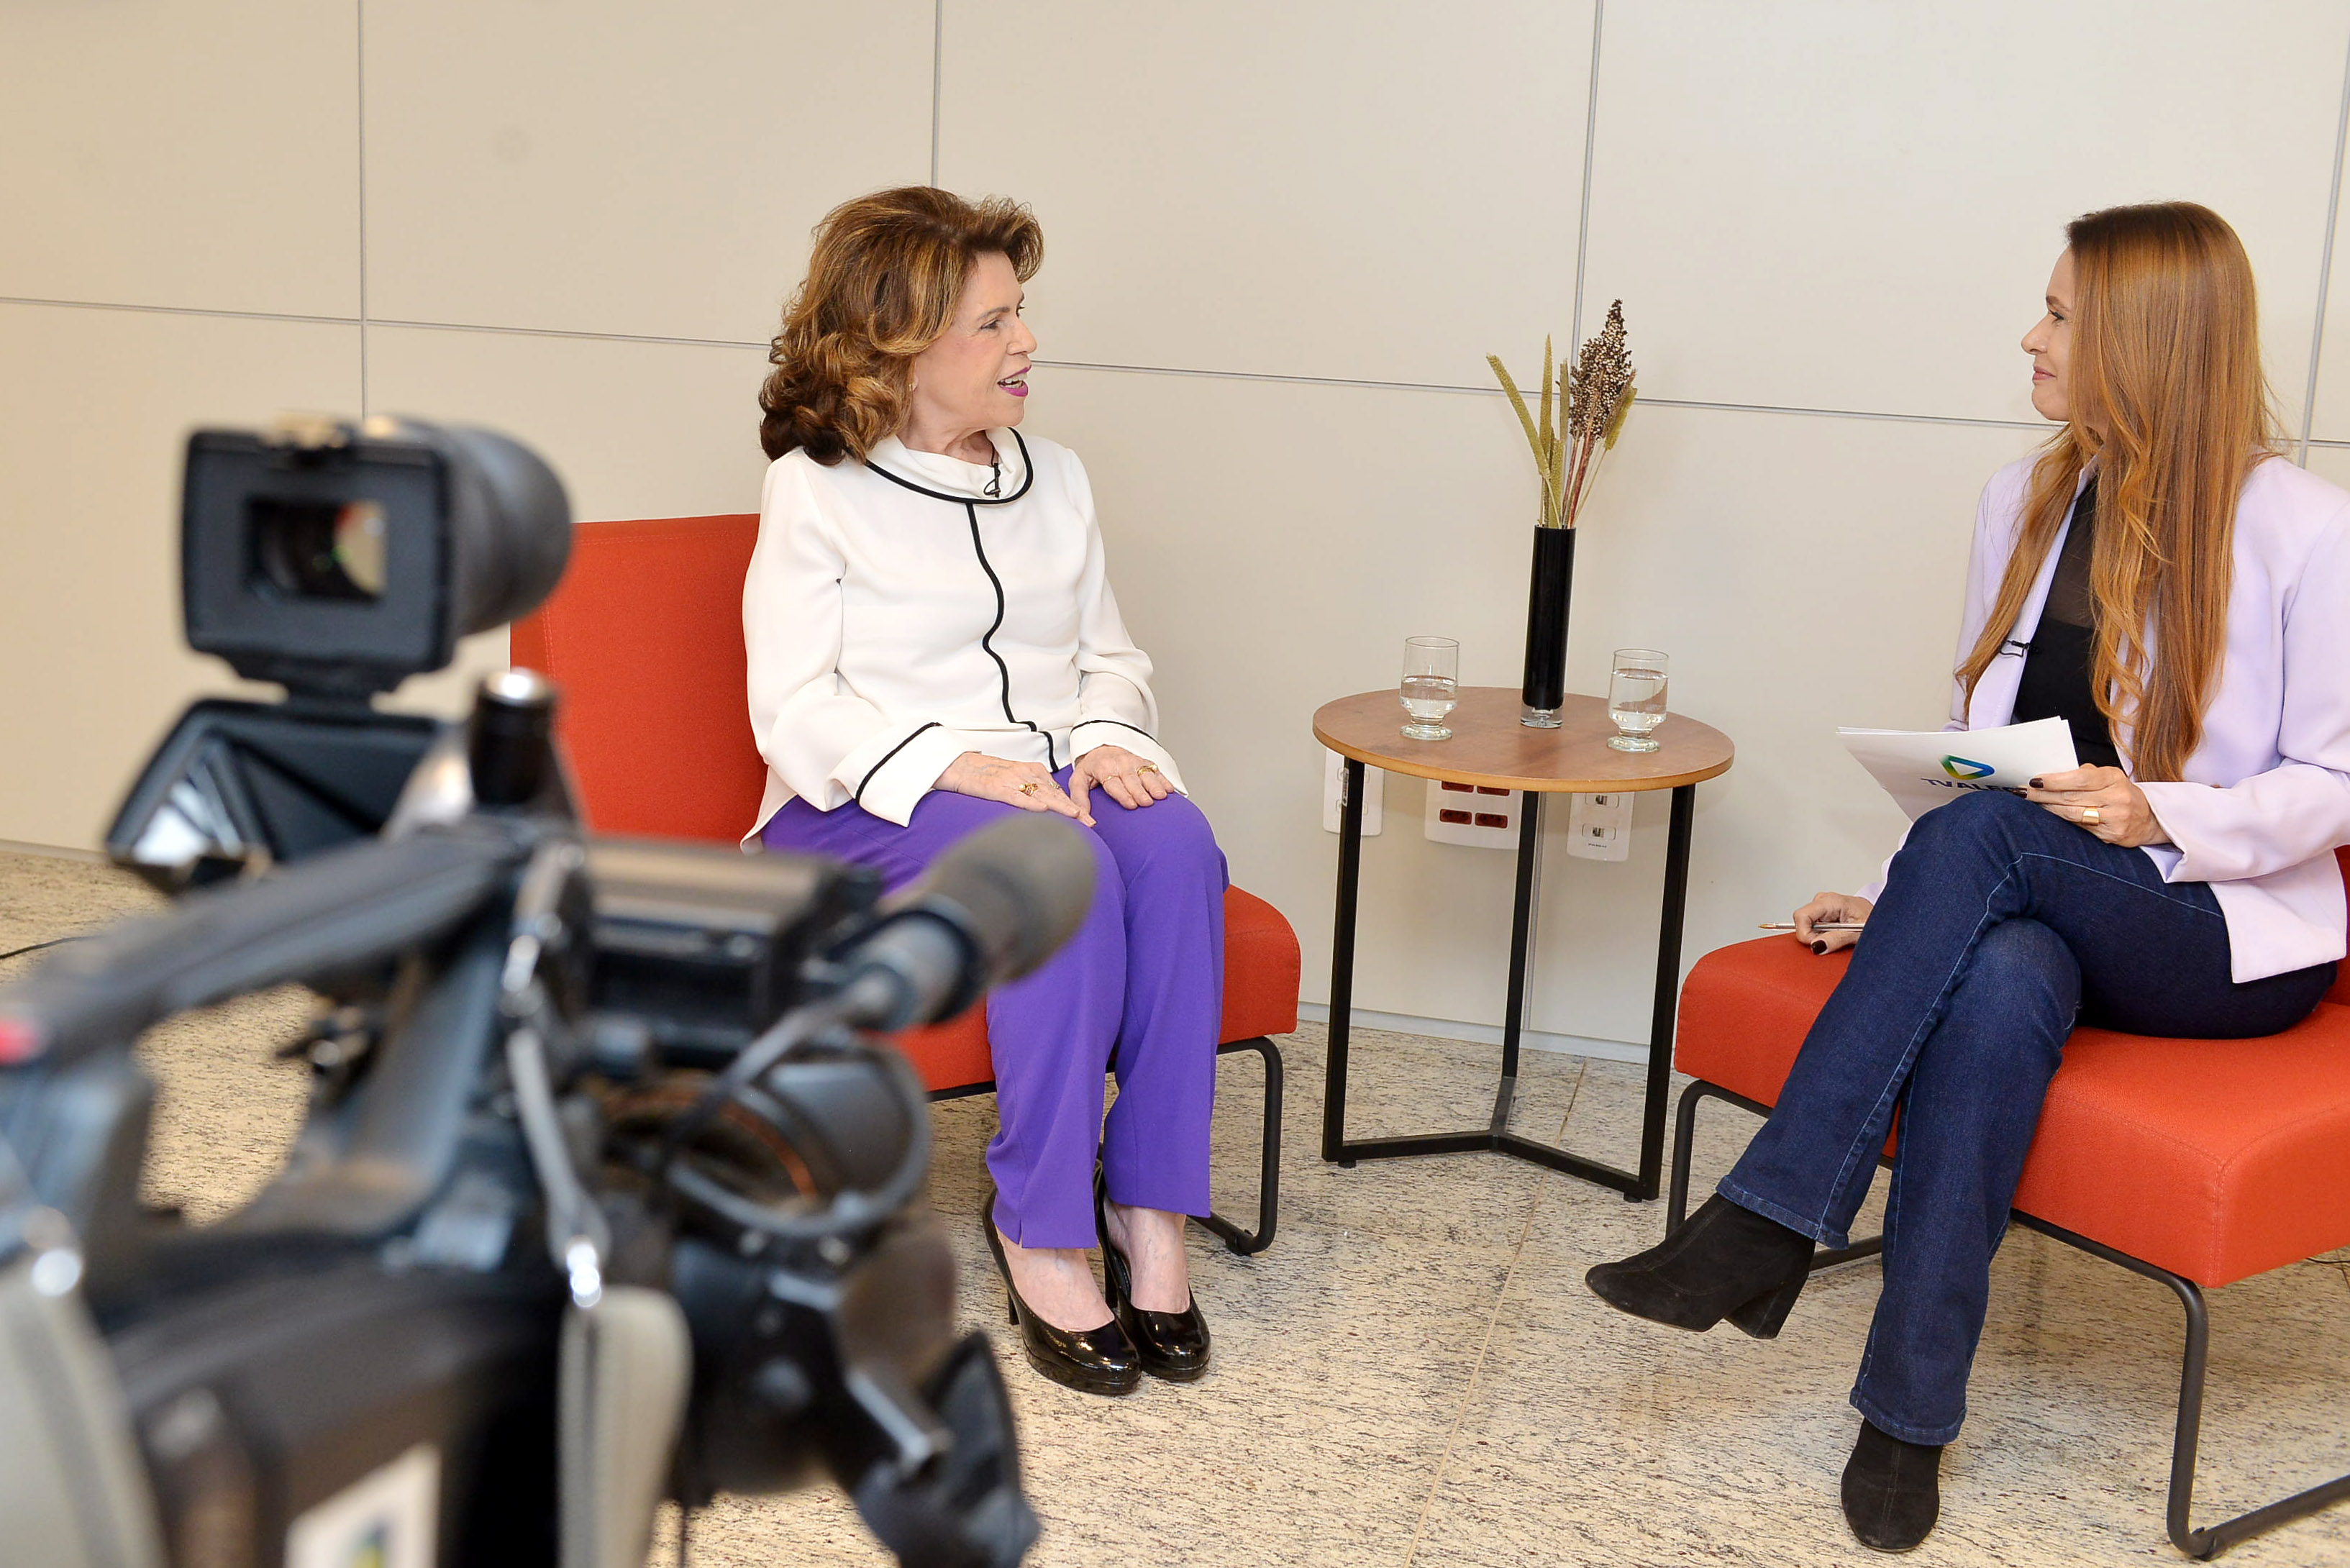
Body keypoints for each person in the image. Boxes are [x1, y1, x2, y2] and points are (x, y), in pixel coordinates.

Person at [1587, 201, 2350, 1551]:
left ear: (2148, 339)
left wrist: (2162, 810)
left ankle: (1770, 1219)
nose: (2030, 338)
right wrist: (1902, 910)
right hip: (2045, 902)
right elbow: (1979, 764)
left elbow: (2337, 782)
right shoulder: (2024, 500)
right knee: (2000, 980)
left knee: (1994, 857)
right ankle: (1907, 1418)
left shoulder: (2305, 527)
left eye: (2060, 315)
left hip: (2218, 933)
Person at [744, 186, 1224, 1396]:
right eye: (994, 323)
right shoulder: (818, 487)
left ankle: (1151, 1208)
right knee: (1056, 869)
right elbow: (794, 707)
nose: (1027, 342)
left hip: (1042, 778)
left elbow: (1110, 656)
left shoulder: (1057, 476)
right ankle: (1043, 1225)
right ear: (900, 343)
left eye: (1022, 313)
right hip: (864, 805)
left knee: (1175, 845)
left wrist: (1106, 739)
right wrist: (962, 767)